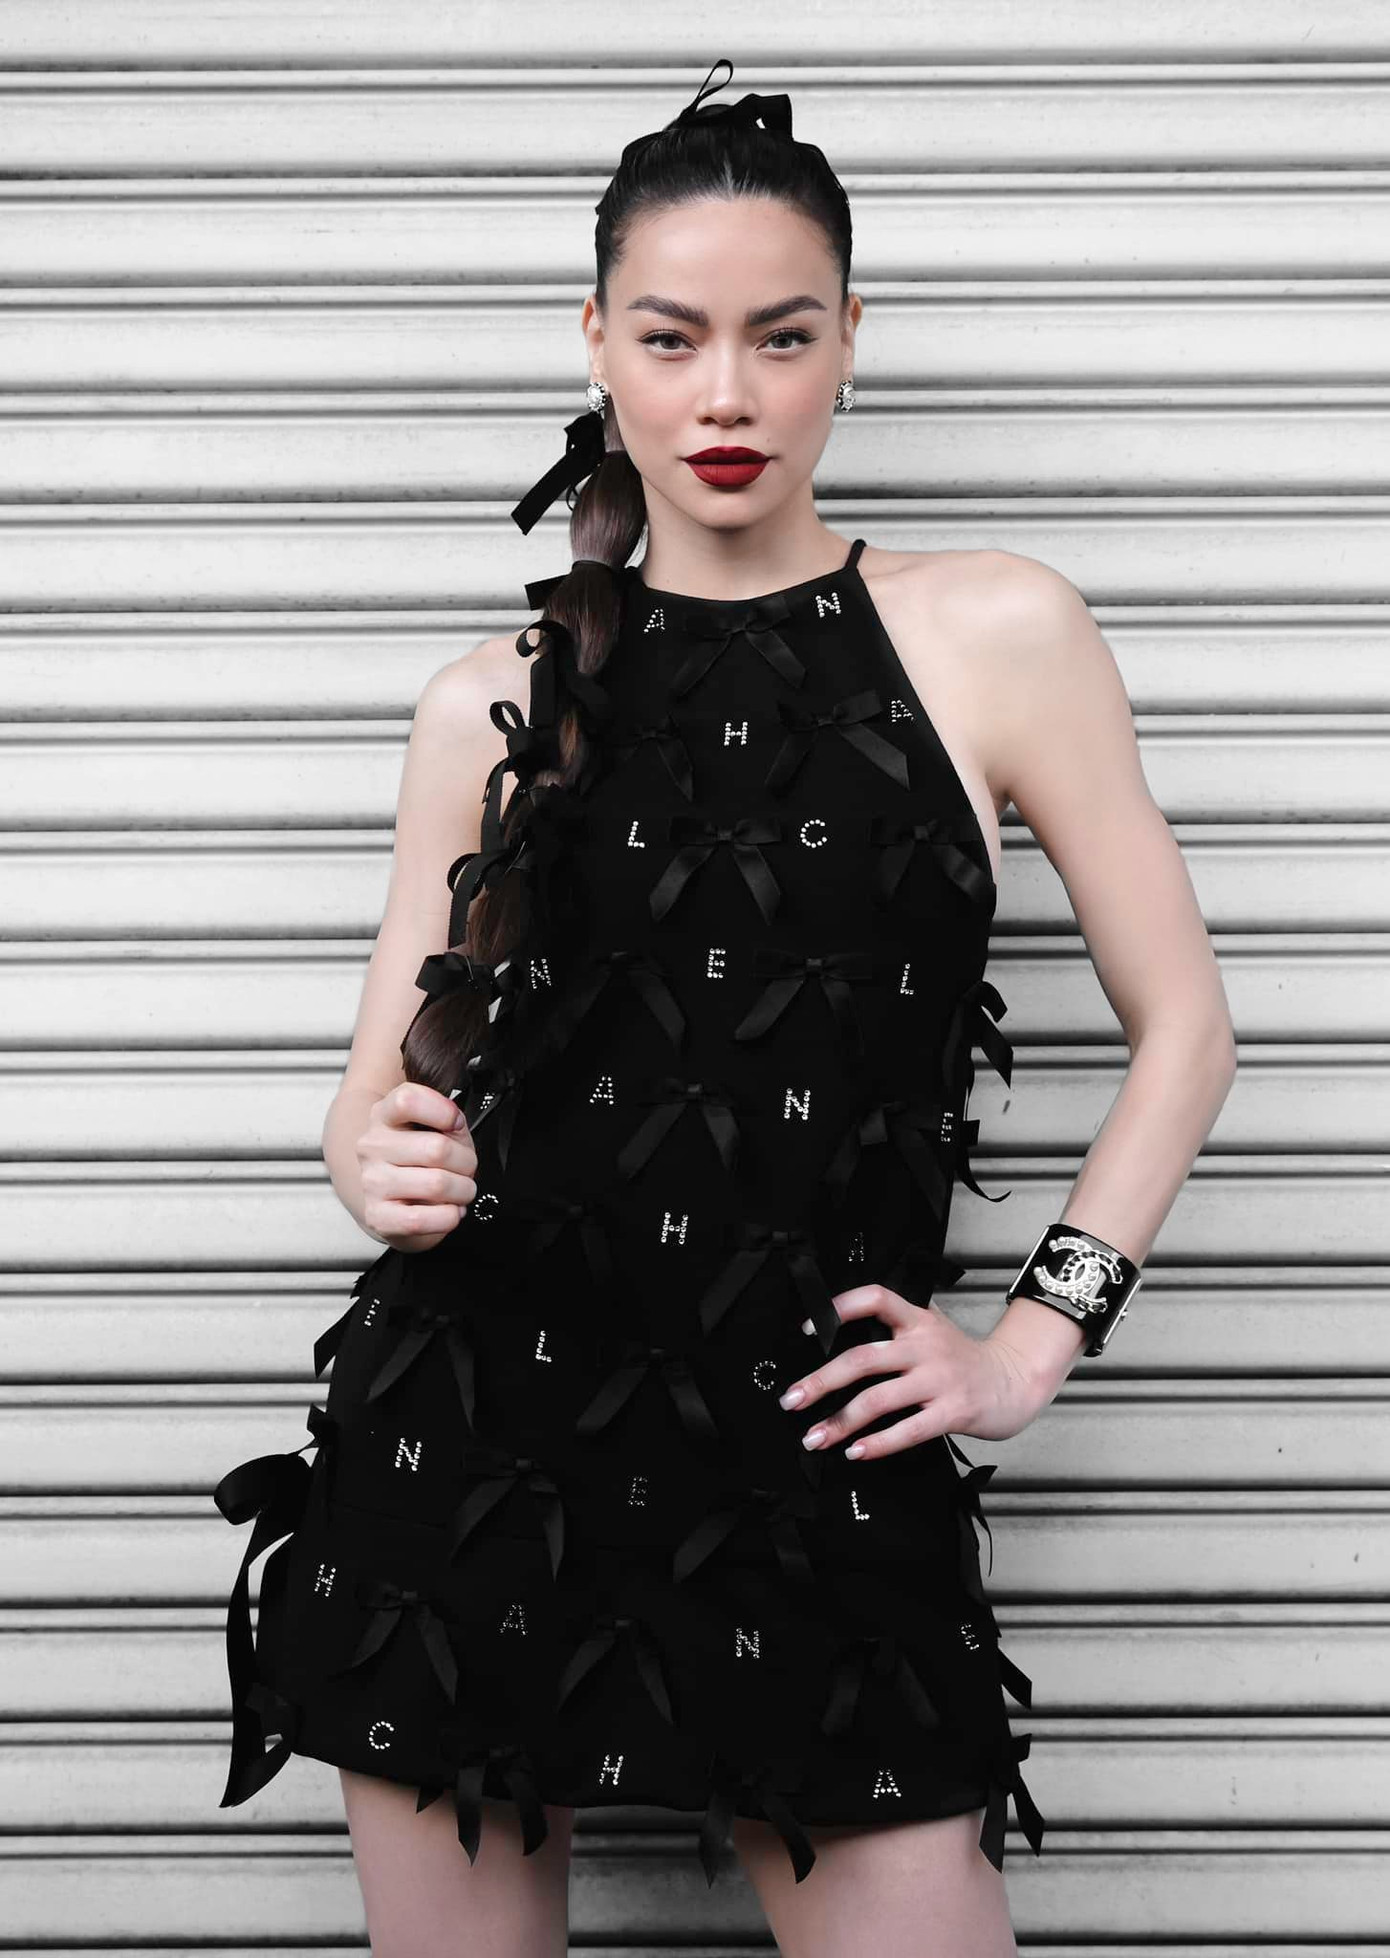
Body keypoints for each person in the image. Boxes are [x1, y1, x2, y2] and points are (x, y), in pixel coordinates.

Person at [212, 57, 1237, 1958]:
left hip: (816, 1461)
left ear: (850, 337)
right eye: (672, 337)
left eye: (781, 336)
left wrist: (1032, 1341)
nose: (727, 396)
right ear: (596, 341)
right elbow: (370, 1110)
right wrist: (379, 1161)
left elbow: (1185, 1027)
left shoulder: (997, 632)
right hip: (471, 1459)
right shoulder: (484, 702)